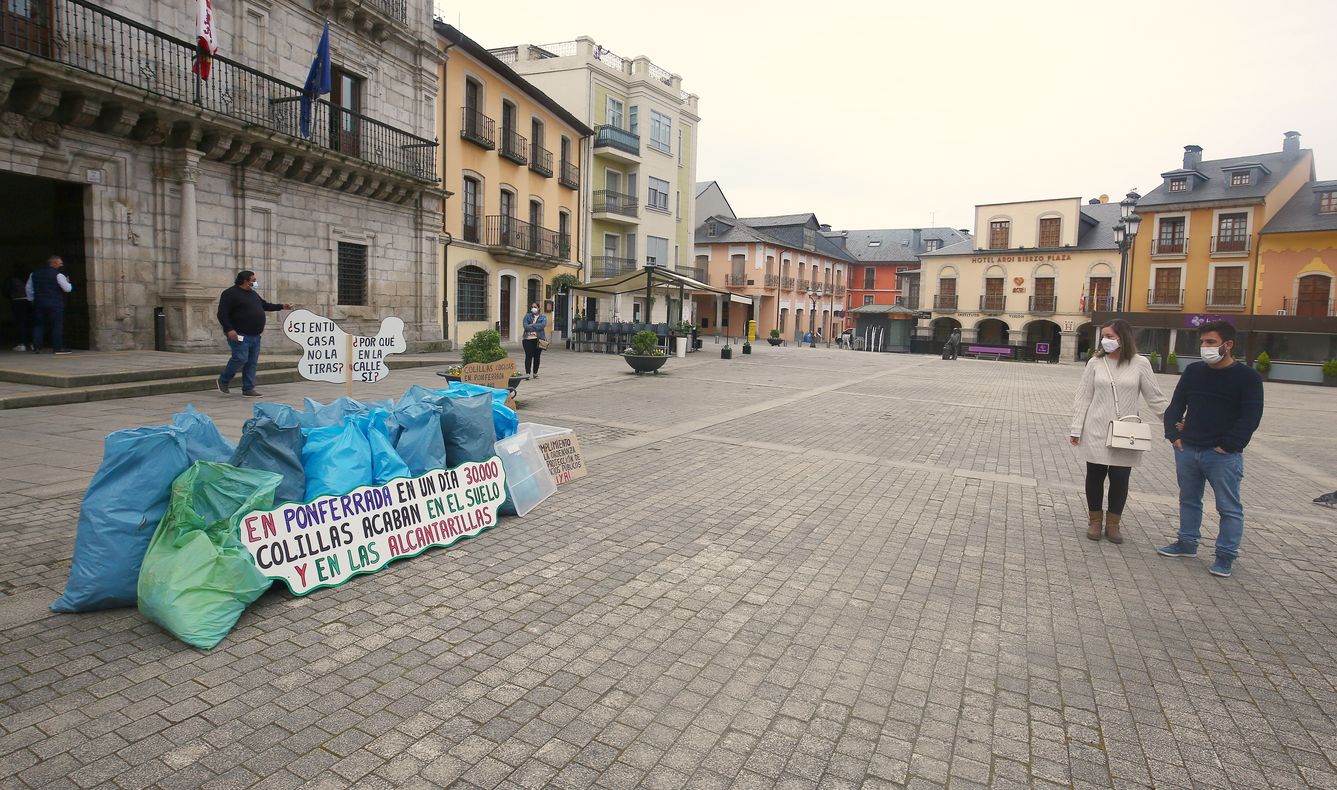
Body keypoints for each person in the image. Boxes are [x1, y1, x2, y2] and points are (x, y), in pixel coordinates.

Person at [1157, 320, 1264, 577]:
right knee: (1189, 499)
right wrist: (1173, 435)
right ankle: (1187, 542)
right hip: (1188, 449)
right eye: (1203, 342)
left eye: (1211, 343)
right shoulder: (1194, 371)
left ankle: (1225, 556)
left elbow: (1250, 417)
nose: (1205, 347)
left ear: (1228, 345)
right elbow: (1175, 406)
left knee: (1228, 507)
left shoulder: (1247, 377)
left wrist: (1229, 446)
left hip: (1221, 455)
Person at [1069, 319, 1169, 543]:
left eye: (1110, 336)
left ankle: (1113, 524)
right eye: (1103, 336)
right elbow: (1083, 396)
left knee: (1120, 477)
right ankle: (1095, 521)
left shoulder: (1140, 363)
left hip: (1126, 431)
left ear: (1123, 338)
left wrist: (1174, 421)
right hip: (1096, 429)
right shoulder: (1095, 363)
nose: (1105, 340)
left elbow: (1155, 397)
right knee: (1095, 476)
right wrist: (1076, 427)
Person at [216, 270, 291, 397]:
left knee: (251, 363)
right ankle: (223, 380)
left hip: (255, 336)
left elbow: (265, 305)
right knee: (240, 358)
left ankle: (248, 388)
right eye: (254, 280)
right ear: (246, 281)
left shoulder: (253, 294)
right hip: (239, 334)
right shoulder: (230, 293)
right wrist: (229, 329)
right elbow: (222, 313)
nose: (256, 282)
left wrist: (282, 306)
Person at [26, 255, 73, 354]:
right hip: (55, 303)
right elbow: (67, 289)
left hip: (39, 303)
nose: (61, 265)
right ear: (54, 263)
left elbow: (28, 288)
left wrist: (32, 299)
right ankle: (58, 348)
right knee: (56, 325)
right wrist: (68, 282)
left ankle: (37, 347)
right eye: (60, 263)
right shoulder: (58, 275)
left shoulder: (34, 274)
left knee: (39, 325)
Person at [3, 266, 32, 351]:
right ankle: (32, 343)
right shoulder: (29, 277)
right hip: (29, 300)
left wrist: (11, 296)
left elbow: (6, 291)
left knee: (20, 323)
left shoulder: (12, 279)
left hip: (17, 300)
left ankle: (22, 343)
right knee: (30, 322)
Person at [522, 301, 547, 378]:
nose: (533, 308)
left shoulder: (543, 317)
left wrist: (532, 325)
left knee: (537, 356)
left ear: (538, 308)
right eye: (532, 307)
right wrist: (536, 326)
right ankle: (527, 373)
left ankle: (535, 373)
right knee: (528, 356)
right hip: (528, 339)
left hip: (539, 339)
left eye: (535, 307)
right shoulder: (527, 316)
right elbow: (525, 326)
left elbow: (542, 325)